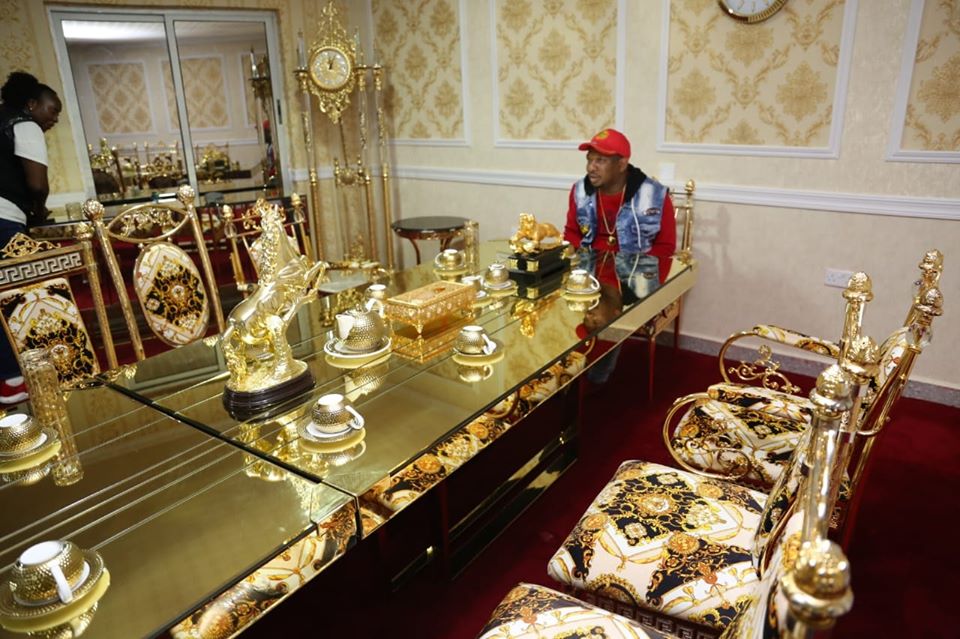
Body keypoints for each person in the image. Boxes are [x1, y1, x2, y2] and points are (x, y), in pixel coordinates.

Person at [564, 128, 676, 384]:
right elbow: (572, 233)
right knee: (560, 307)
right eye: (590, 160)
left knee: (604, 319)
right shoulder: (580, 191)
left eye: (600, 161)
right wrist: (566, 266)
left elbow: (665, 246)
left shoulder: (654, 195)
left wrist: (642, 288)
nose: (592, 168)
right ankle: (566, 371)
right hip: (589, 268)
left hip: (634, 270)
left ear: (622, 164)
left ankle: (596, 377)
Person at [0, 71, 62, 403]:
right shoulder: (24, 124)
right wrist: (38, 214)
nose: (54, 119)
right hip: (3, 220)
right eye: (52, 110)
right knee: (11, 296)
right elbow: (37, 184)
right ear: (31, 104)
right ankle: (12, 380)